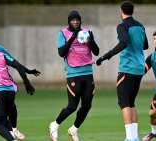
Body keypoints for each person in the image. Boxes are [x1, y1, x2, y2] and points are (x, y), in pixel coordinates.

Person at [96, 1, 149, 141]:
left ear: (121, 11)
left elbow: (124, 42)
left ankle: (131, 138)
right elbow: (145, 45)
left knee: (124, 102)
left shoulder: (122, 26)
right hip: (139, 68)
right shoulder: (141, 26)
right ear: (133, 11)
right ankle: (134, 137)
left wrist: (105, 57)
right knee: (131, 102)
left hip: (127, 68)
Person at [49, 10, 99, 141]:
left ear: (80, 20)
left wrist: (91, 40)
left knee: (87, 105)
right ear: (69, 21)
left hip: (88, 73)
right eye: (73, 20)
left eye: (77, 19)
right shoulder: (63, 33)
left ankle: (74, 129)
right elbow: (61, 52)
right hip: (73, 74)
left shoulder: (87, 32)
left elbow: (96, 51)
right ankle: (55, 125)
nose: (75, 22)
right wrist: (72, 37)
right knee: (72, 106)